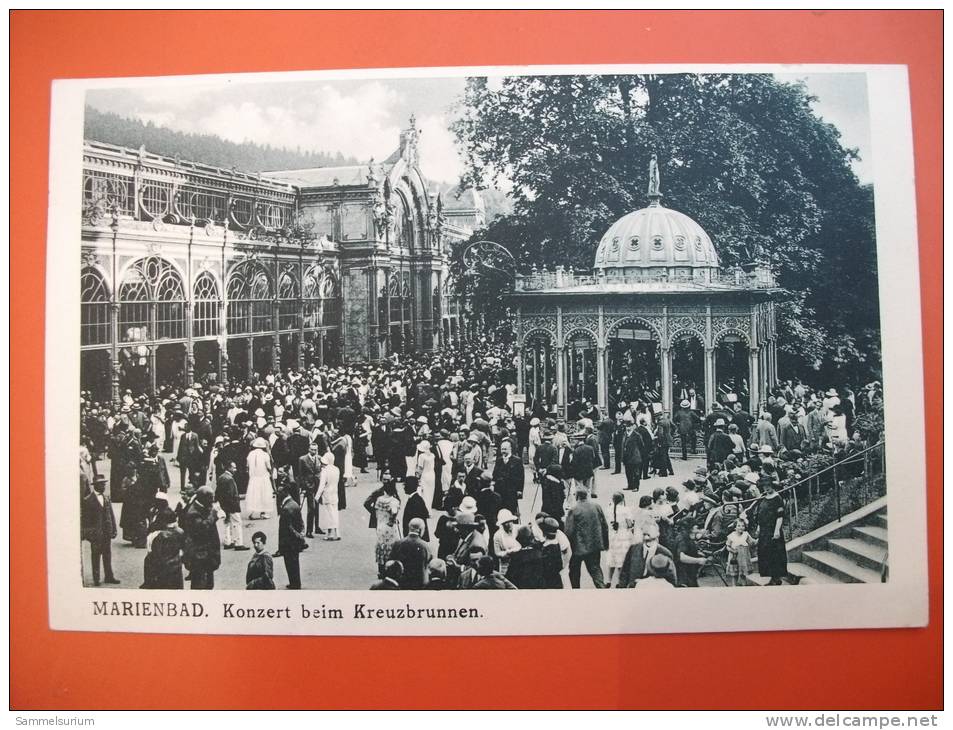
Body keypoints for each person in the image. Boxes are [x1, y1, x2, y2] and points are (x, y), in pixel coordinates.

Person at [564, 483, 609, 589]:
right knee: (595, 569)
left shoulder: (574, 510)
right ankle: (601, 587)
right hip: (594, 545)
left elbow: (569, 531)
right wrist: (605, 543)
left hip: (578, 548)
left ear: (577, 496)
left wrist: (567, 547)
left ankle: (577, 591)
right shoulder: (596, 506)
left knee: (574, 571)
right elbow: (605, 525)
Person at [755, 477, 799, 585]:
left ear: (772, 486)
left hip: (772, 530)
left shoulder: (777, 498)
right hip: (764, 530)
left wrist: (776, 531)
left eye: (768, 486)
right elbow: (760, 514)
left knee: (774, 554)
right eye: (765, 487)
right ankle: (771, 577)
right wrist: (758, 527)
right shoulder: (764, 498)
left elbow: (780, 516)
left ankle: (776, 578)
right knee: (765, 554)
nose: (767, 488)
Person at [81, 475, 119, 586]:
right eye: (102, 484)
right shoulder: (88, 500)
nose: (104, 486)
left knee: (107, 554)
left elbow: (111, 515)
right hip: (96, 534)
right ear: (96, 486)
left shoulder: (106, 497)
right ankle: (96, 578)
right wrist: (89, 534)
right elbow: (86, 520)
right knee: (96, 556)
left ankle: (109, 576)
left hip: (107, 532)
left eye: (104, 484)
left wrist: (114, 529)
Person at [181, 486, 220, 590]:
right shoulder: (193, 513)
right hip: (199, 556)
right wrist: (214, 515)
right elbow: (202, 529)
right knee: (200, 585)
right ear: (203, 498)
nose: (212, 500)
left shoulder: (202, 507)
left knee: (208, 584)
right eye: (210, 498)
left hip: (207, 554)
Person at [617, 522, 677, 588]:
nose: (646, 536)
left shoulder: (665, 553)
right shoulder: (634, 548)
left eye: (649, 534)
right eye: (644, 533)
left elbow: (672, 579)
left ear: (657, 534)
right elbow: (624, 572)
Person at [141, 505, 183, 589]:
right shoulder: (179, 532)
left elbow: (152, 554)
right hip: (175, 569)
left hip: (158, 571)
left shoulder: (154, 535)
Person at [278, 483, 308, 589]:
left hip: (289, 541)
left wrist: (298, 536)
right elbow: (301, 523)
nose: (278, 494)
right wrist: (301, 535)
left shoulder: (286, 508)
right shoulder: (294, 504)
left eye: (280, 492)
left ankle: (294, 583)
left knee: (290, 563)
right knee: (295, 562)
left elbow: (288, 528)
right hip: (295, 541)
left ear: (285, 492)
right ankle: (296, 582)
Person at [215, 461, 249, 552]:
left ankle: (227, 542)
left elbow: (217, 493)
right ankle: (239, 543)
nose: (235, 469)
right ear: (229, 468)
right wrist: (235, 505)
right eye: (234, 467)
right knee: (237, 523)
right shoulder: (229, 479)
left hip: (224, 505)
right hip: (232, 506)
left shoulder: (221, 477)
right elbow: (231, 495)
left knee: (227, 524)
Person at [390, 518, 431, 589]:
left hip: (402, 583)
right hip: (419, 584)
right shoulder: (425, 546)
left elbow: (391, 561)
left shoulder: (397, 544)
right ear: (420, 530)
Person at [372, 480, 402, 577]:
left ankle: (381, 570)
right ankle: (390, 569)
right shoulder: (393, 501)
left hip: (380, 525)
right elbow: (394, 512)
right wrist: (393, 520)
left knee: (381, 547)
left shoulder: (379, 500)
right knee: (391, 548)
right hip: (389, 528)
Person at [606, 491, 635, 588]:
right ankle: (619, 581)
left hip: (612, 535)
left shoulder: (608, 509)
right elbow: (629, 524)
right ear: (622, 500)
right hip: (623, 535)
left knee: (612, 557)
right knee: (621, 559)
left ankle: (608, 580)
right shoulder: (625, 510)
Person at [492, 439, 524, 519]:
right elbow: (494, 474)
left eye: (505, 449)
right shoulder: (499, 460)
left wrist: (519, 490)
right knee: (500, 510)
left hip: (511, 491)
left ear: (510, 449)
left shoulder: (517, 461)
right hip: (499, 490)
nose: (503, 451)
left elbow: (521, 477)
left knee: (512, 511)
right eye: (502, 449)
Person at [245, 437, 275, 520]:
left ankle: (252, 512)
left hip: (253, 478)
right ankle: (263, 512)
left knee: (253, 494)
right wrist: (270, 473)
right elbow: (268, 466)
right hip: (263, 477)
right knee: (264, 494)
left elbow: (247, 466)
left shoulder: (250, 454)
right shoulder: (265, 455)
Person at [298, 441, 323, 537]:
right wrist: (303, 487)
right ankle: (309, 530)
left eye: (315, 450)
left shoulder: (319, 458)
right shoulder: (302, 459)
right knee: (311, 508)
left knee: (317, 507)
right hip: (308, 486)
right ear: (309, 449)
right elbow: (301, 475)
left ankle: (317, 527)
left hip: (317, 485)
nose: (314, 451)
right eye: (312, 449)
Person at [316, 451, 341, 541]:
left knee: (328, 514)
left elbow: (322, 485)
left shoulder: (325, 471)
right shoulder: (336, 469)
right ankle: (337, 532)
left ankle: (330, 534)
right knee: (335, 513)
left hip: (327, 494)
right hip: (335, 493)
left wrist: (317, 496)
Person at [674, 521, 707, 587]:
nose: (697, 527)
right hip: (684, 574)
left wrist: (696, 553)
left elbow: (687, 550)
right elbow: (682, 558)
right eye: (696, 527)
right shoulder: (683, 539)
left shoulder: (686, 536)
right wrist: (699, 560)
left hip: (689, 572)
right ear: (691, 529)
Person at [725, 518, 756, 587]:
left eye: (743, 526)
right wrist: (732, 550)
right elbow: (728, 546)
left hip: (744, 558)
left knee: (743, 574)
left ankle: (744, 586)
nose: (741, 527)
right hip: (735, 557)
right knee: (734, 574)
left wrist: (758, 539)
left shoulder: (746, 535)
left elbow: (752, 542)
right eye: (738, 526)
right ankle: (734, 586)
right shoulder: (731, 536)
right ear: (735, 527)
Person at [621, 421, 643, 492]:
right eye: (627, 426)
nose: (628, 428)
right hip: (626, 456)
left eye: (629, 426)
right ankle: (630, 485)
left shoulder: (637, 435)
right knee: (628, 472)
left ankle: (636, 486)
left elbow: (641, 445)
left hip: (634, 457)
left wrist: (637, 453)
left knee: (636, 472)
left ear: (632, 427)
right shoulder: (625, 434)